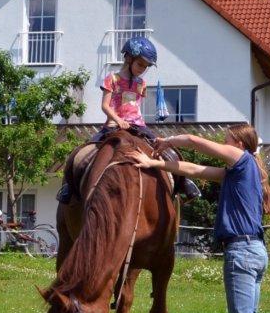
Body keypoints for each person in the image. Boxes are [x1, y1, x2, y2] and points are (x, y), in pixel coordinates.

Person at [127, 123, 270, 313]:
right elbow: (193, 169)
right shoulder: (241, 172)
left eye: (228, 139)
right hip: (255, 250)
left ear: (240, 144)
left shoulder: (241, 160)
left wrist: (163, 140)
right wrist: (154, 162)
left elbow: (195, 141)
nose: (224, 141)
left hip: (242, 252)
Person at [57, 36, 200, 202]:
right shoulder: (112, 79)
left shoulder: (142, 83)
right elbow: (105, 106)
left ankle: (184, 183)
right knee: (82, 153)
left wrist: (138, 123)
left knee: (168, 150)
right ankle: (70, 187)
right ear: (128, 58)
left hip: (138, 125)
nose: (142, 69)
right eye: (140, 64)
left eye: (146, 66)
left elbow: (135, 107)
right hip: (113, 125)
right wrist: (118, 120)